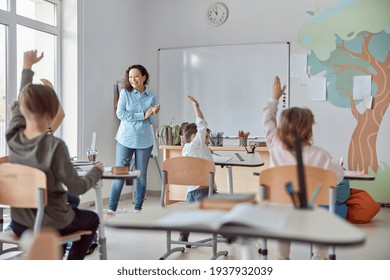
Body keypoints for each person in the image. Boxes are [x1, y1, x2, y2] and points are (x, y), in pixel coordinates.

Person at [6, 50, 103, 260]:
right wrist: (96, 171)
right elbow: (77, 186)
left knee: (69, 202)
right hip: (50, 223)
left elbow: (22, 101)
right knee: (92, 218)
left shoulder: (12, 137)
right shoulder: (54, 145)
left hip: (20, 223)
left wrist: (27, 66)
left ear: (21, 107)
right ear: (52, 113)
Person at [263, 76, 345, 260]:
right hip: (310, 215)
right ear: (309, 129)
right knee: (320, 219)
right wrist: (338, 168)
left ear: (281, 129)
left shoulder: (274, 146)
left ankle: (282, 260)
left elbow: (267, 120)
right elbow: (338, 178)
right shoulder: (322, 156)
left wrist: (274, 98)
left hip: (281, 215)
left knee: (284, 221)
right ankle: (318, 259)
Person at [106, 64, 160, 216]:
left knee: (141, 176)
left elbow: (150, 121)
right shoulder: (125, 93)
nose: (133, 79)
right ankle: (111, 209)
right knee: (120, 173)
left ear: (144, 77)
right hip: (125, 138)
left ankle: (138, 209)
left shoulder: (151, 97)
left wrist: (153, 113)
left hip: (144, 140)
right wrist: (143, 115)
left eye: (136, 76)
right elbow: (121, 114)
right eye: (130, 77)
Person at [179, 95, 215, 242]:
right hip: (204, 190)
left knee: (190, 215)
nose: (208, 141)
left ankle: (184, 233)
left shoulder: (186, 149)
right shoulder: (197, 144)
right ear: (195, 137)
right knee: (222, 207)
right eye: (206, 137)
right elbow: (201, 123)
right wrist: (196, 106)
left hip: (191, 191)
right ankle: (226, 233)